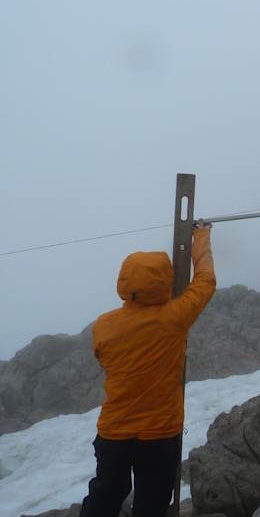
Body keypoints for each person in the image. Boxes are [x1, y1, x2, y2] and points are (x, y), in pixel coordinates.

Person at [80, 220, 216, 517]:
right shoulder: (174, 317)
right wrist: (202, 236)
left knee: (106, 493)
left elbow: (102, 359)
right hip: (160, 434)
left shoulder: (104, 324)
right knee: (152, 503)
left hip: (114, 430)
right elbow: (205, 281)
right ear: (164, 280)